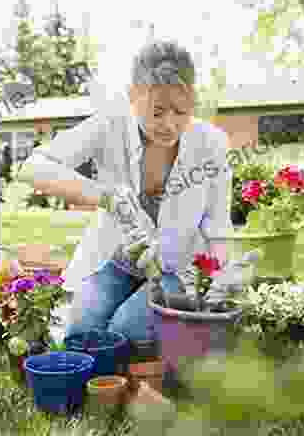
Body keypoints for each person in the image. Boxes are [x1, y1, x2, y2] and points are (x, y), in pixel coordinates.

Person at [18, 39, 232, 344]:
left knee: (126, 333)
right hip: (114, 261)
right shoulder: (110, 125)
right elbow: (33, 167)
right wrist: (104, 195)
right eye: (157, 112)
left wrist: (216, 284)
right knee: (82, 331)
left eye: (180, 112)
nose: (169, 124)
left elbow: (219, 229)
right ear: (133, 96)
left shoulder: (212, 144)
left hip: (176, 268)